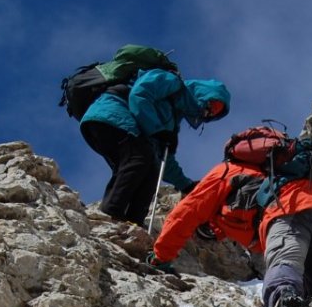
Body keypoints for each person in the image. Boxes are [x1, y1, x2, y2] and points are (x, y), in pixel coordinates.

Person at [149, 157, 312, 307]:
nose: (210, 234)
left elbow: (184, 214)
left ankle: (284, 305)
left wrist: (160, 257)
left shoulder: (223, 172)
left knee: (282, 265)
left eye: (206, 230)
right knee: (311, 282)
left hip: (291, 208)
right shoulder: (266, 172)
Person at [79, 69, 230, 226]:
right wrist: (157, 130)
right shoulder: (172, 82)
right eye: (214, 104)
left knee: (151, 171)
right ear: (203, 92)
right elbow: (139, 94)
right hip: (112, 114)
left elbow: (164, 157)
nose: (211, 111)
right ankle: (111, 212)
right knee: (139, 158)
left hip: (112, 126)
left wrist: (186, 184)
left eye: (216, 113)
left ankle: (133, 223)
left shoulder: (173, 119)